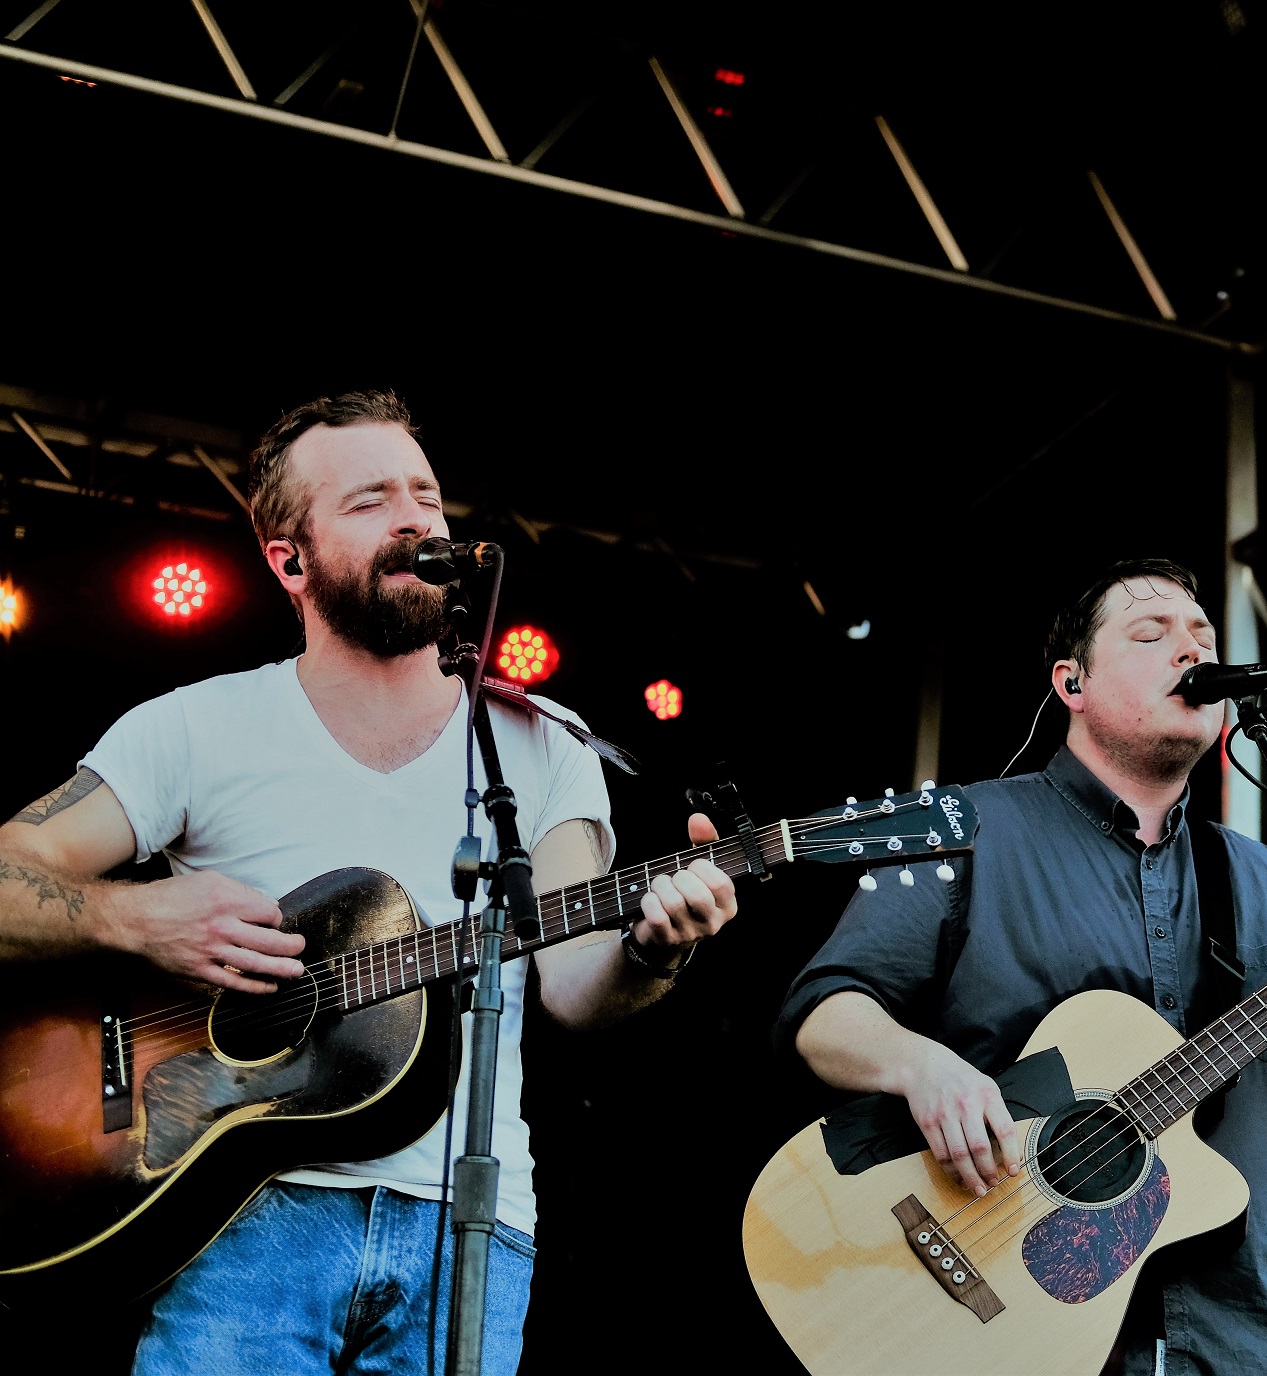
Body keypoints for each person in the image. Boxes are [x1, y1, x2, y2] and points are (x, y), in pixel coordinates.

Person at [0, 391, 737, 1375]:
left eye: (426, 495)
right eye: (370, 498)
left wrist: (655, 948)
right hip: (242, 1215)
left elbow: (572, 984)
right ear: (288, 559)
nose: (415, 517)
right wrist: (137, 915)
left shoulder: (542, 740)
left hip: (471, 1225)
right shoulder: (196, 728)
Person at [779, 558, 1267, 1376]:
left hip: (1231, 1343)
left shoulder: (1264, 879)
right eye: (1149, 634)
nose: (1189, 649)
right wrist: (923, 1067)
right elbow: (825, 1010)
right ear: (1072, 683)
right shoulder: (964, 826)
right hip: (1003, 1334)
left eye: (1200, 635)